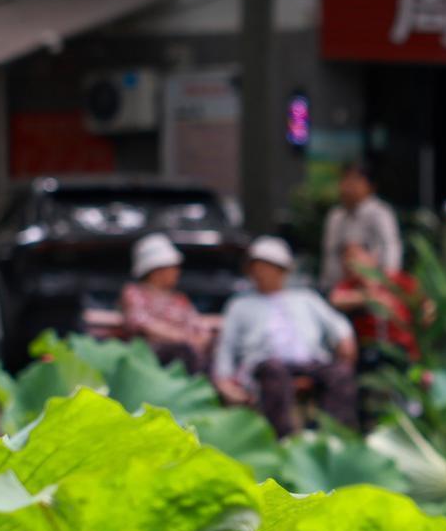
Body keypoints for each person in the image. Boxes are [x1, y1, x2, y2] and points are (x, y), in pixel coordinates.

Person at [212, 236, 358, 437]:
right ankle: (283, 441)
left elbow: (339, 326)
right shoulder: (239, 305)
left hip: (310, 361)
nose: (261, 272)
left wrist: (345, 341)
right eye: (257, 267)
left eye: (267, 267)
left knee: (340, 374)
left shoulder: (306, 298)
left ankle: (334, 439)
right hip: (265, 364)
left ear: (282, 271)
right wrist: (224, 382)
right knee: (274, 372)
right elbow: (226, 347)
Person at [119, 233, 212, 372]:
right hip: (149, 359)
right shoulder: (134, 293)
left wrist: (201, 338)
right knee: (182, 352)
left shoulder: (179, 299)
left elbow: (198, 325)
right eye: (172, 268)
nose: (177, 272)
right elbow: (141, 322)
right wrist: (180, 337)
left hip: (185, 354)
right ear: (157, 271)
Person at [320, 161, 401, 290]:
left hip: (374, 285)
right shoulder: (336, 216)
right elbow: (330, 254)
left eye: (354, 181)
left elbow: (391, 248)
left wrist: (387, 284)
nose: (347, 186)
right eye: (344, 180)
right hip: (338, 286)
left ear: (370, 186)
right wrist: (329, 285)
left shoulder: (380, 213)